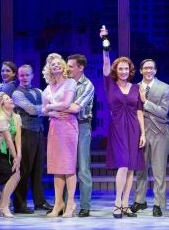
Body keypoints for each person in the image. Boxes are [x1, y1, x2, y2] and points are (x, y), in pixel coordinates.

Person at [100, 27, 146, 219]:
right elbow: (106, 60)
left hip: (134, 128)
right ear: (115, 70)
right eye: (121, 68)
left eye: (127, 68)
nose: (124, 71)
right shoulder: (109, 84)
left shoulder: (136, 87)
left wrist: (143, 133)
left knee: (131, 167)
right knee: (123, 165)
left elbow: (139, 111)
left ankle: (126, 204)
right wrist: (105, 40)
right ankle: (117, 203)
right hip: (118, 127)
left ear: (130, 70)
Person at [129, 59, 169, 217]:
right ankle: (140, 200)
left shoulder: (165, 87)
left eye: (151, 68)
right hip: (140, 133)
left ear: (155, 70)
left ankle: (158, 203)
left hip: (160, 132)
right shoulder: (134, 88)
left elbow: (163, 111)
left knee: (159, 171)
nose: (148, 71)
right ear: (140, 71)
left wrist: (145, 102)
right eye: (145, 68)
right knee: (140, 169)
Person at [11, 65, 53, 214]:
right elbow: (31, 110)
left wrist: (47, 108)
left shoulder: (38, 91)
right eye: (22, 75)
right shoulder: (17, 93)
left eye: (27, 75)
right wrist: (49, 108)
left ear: (32, 75)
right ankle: (19, 204)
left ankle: (39, 201)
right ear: (18, 77)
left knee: (38, 169)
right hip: (25, 132)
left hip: (39, 132)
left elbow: (41, 108)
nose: (24, 78)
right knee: (24, 169)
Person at [42, 53, 78, 218]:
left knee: (68, 166)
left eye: (58, 64)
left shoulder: (70, 83)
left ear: (63, 66)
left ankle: (70, 202)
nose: (55, 66)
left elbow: (66, 103)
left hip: (68, 126)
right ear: (49, 69)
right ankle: (58, 203)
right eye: (52, 65)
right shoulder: (47, 89)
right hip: (55, 127)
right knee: (57, 166)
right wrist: (52, 113)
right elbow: (43, 110)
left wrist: (51, 108)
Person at [66, 54, 94, 217]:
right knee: (65, 166)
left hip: (81, 126)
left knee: (83, 167)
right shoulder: (65, 83)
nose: (67, 69)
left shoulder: (87, 85)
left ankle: (85, 205)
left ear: (80, 67)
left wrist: (55, 108)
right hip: (65, 126)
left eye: (70, 66)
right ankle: (64, 204)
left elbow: (76, 108)